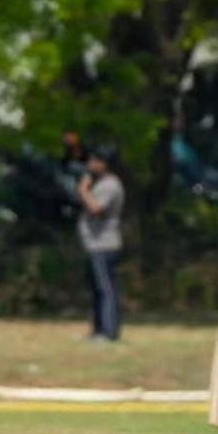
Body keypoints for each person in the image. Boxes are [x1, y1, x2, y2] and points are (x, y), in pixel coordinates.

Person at [76, 143, 124, 342]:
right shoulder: (101, 183)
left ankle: (109, 332)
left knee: (106, 290)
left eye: (95, 160)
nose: (91, 164)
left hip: (105, 245)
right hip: (95, 245)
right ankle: (98, 330)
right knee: (97, 290)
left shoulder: (111, 185)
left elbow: (97, 208)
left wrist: (83, 190)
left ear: (105, 164)